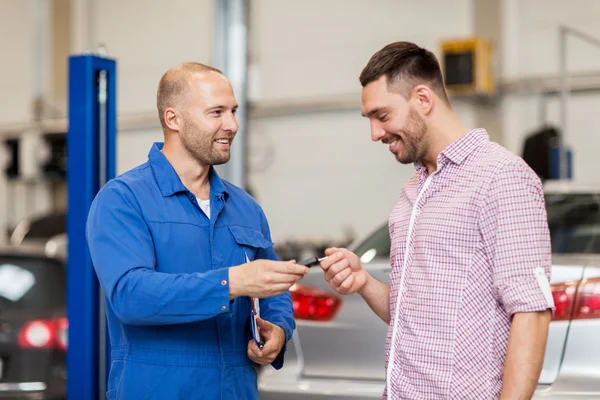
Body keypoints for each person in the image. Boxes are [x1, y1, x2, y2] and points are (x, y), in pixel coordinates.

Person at [319, 42, 554, 400]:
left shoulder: (502, 177)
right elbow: (412, 315)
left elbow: (531, 312)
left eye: (382, 116)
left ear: (423, 99)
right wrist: (363, 282)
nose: (375, 133)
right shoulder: (414, 189)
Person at [86, 62, 309, 400]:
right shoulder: (123, 200)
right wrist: (231, 283)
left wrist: (279, 329)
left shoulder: (246, 208)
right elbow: (130, 296)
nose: (232, 125)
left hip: (236, 390)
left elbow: (273, 287)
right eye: (216, 112)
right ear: (173, 119)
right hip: (155, 389)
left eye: (233, 111)